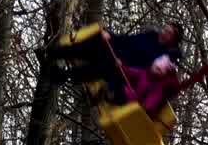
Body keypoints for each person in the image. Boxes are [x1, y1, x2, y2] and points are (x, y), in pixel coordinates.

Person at [47, 22, 184, 96]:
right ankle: (58, 52)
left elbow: (145, 72)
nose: (165, 32)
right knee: (98, 41)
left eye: (170, 33)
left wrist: (124, 67)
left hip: (124, 71)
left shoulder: (162, 57)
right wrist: (111, 35)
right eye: (166, 28)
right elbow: (126, 40)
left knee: (106, 64)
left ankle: (63, 75)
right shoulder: (149, 37)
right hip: (118, 51)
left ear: (172, 40)